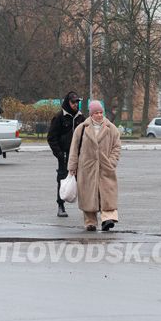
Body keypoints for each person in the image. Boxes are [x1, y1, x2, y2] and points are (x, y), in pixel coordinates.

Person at [68, 100, 122, 232]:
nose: (99, 115)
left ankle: (108, 219)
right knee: (88, 195)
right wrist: (72, 166)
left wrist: (112, 161)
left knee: (107, 193)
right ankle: (90, 222)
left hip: (105, 167)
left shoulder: (111, 128)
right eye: (96, 112)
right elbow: (74, 148)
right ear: (91, 114)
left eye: (101, 112)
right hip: (87, 168)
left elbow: (117, 147)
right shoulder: (81, 128)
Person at [46, 92, 85, 217]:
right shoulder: (59, 117)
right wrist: (59, 154)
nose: (75, 104)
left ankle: (86, 207)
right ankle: (60, 205)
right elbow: (51, 137)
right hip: (65, 154)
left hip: (80, 155)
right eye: (73, 102)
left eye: (77, 102)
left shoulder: (81, 118)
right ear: (68, 103)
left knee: (83, 180)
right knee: (63, 179)